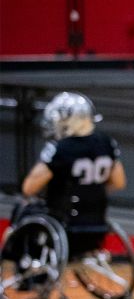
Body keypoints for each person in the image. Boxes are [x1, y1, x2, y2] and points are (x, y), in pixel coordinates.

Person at [15, 91, 126, 259]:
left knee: (23, 209)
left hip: (64, 220)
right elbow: (118, 183)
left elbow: (28, 188)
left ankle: (23, 266)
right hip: (96, 222)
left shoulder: (61, 149)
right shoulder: (107, 143)